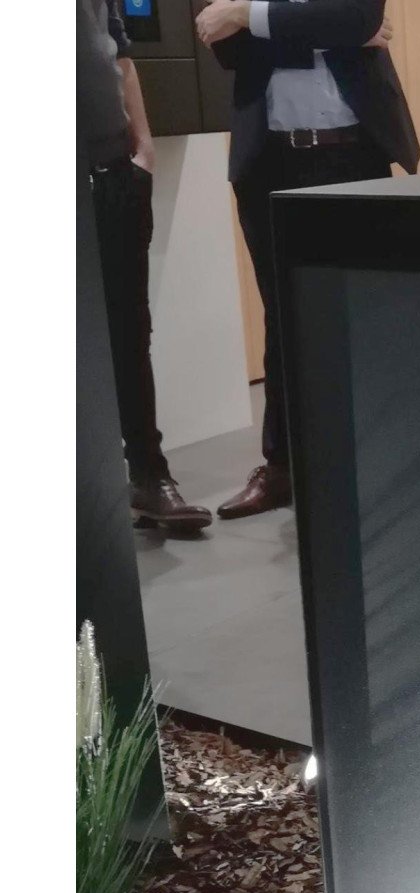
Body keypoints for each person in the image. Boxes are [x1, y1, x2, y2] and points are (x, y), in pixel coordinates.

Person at [196, 1, 420, 519]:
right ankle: (281, 467)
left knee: (366, 312)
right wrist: (324, 30)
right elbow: (224, 44)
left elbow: (357, 19)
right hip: (269, 160)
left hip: (354, 155)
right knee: (283, 315)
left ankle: (378, 458)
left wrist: (249, 14)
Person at [77, 0, 212, 534]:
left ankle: (149, 477)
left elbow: (120, 55)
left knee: (130, 334)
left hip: (113, 172)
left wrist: (145, 146)